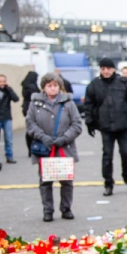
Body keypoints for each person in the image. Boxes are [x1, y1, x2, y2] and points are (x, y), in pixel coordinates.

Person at [25, 73, 83, 222]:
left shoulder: (68, 103)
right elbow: (30, 123)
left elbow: (76, 124)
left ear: (60, 86)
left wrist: (64, 138)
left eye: (55, 85)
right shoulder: (35, 103)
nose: (53, 88)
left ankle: (66, 208)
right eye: (49, 85)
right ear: (43, 87)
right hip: (44, 148)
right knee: (45, 181)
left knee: (66, 181)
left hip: (64, 147)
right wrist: (42, 136)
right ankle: (48, 210)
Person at [84, 58, 127, 196]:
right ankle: (108, 183)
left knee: (126, 154)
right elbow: (89, 106)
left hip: (123, 126)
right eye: (103, 68)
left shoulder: (124, 83)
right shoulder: (94, 85)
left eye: (108, 68)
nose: (105, 71)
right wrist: (90, 123)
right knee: (107, 156)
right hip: (106, 127)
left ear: (113, 69)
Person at [20, 71, 40, 158]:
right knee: (32, 130)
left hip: (27, 108)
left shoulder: (25, 86)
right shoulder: (32, 87)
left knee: (30, 129)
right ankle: (32, 148)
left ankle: (31, 149)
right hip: (32, 109)